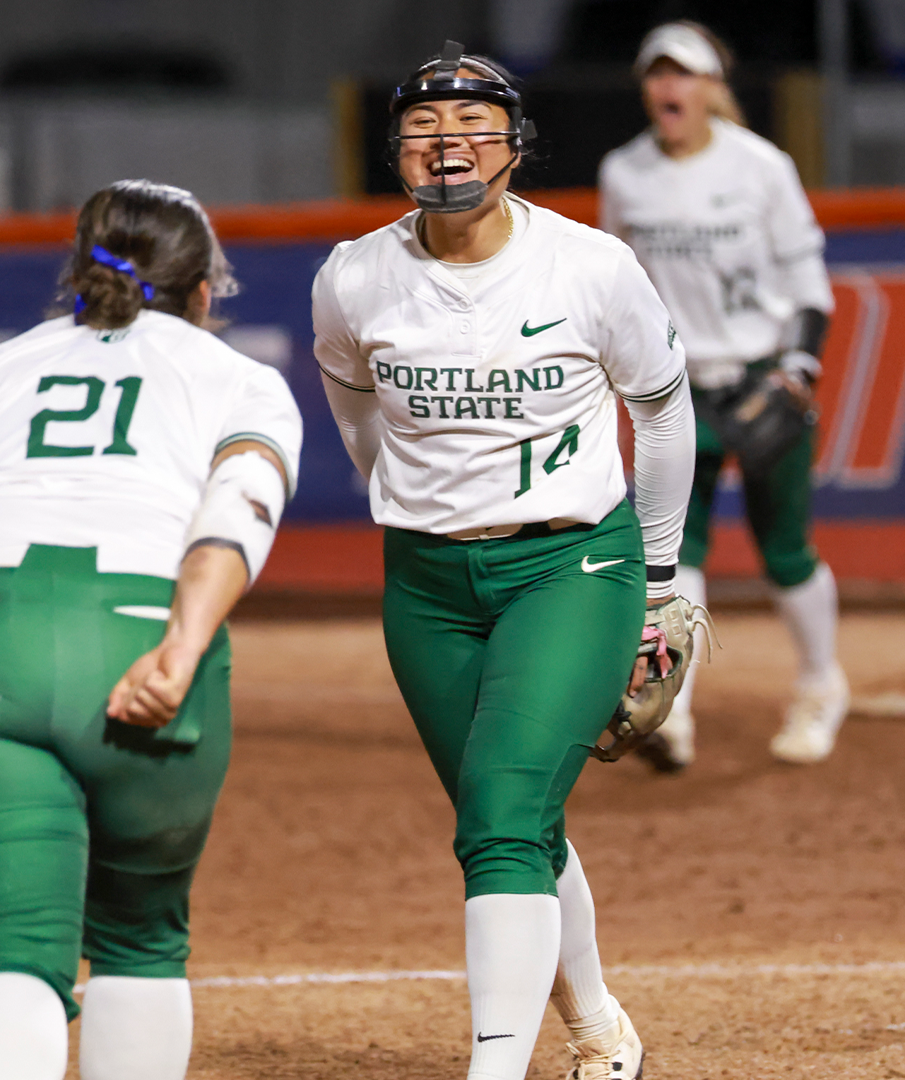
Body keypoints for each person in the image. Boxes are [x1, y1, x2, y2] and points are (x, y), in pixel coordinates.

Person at [0, 179, 301, 1080]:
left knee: (11, 949)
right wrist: (183, 647)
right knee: (141, 940)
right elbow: (234, 521)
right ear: (205, 290)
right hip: (135, 628)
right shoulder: (242, 380)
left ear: (77, 275)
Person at [312, 42, 694, 1080]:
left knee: (500, 820)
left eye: (475, 128)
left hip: (569, 567)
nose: (449, 148)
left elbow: (662, 413)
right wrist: (420, 502)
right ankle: (601, 1024)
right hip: (427, 584)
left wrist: (659, 583)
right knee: (510, 816)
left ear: (515, 148)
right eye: (426, 131)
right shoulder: (354, 277)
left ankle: (494, 1068)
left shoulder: (588, 265)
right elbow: (357, 416)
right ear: (394, 150)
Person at [598, 21, 848, 770]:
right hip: (674, 388)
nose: (669, 87)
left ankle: (820, 683)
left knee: (785, 548)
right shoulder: (625, 172)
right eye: (657, 74)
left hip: (757, 375)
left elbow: (809, 284)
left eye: (684, 74)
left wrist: (797, 371)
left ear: (711, 87)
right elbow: (618, 281)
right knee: (674, 551)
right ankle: (672, 709)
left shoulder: (761, 167)